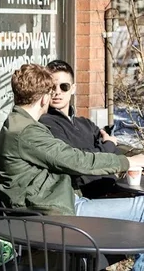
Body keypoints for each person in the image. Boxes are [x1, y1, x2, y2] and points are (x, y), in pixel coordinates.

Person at [0, 63, 144, 271]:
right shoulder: (30, 133)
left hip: (60, 206)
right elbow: (77, 160)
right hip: (58, 216)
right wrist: (128, 161)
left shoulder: (16, 124)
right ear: (44, 98)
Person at [40, 60, 124, 198]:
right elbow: (77, 158)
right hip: (86, 197)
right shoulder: (45, 123)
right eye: (52, 87)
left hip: (111, 188)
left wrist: (132, 164)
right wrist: (108, 145)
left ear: (73, 89)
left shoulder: (85, 124)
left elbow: (115, 150)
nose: (57, 92)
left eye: (64, 87)